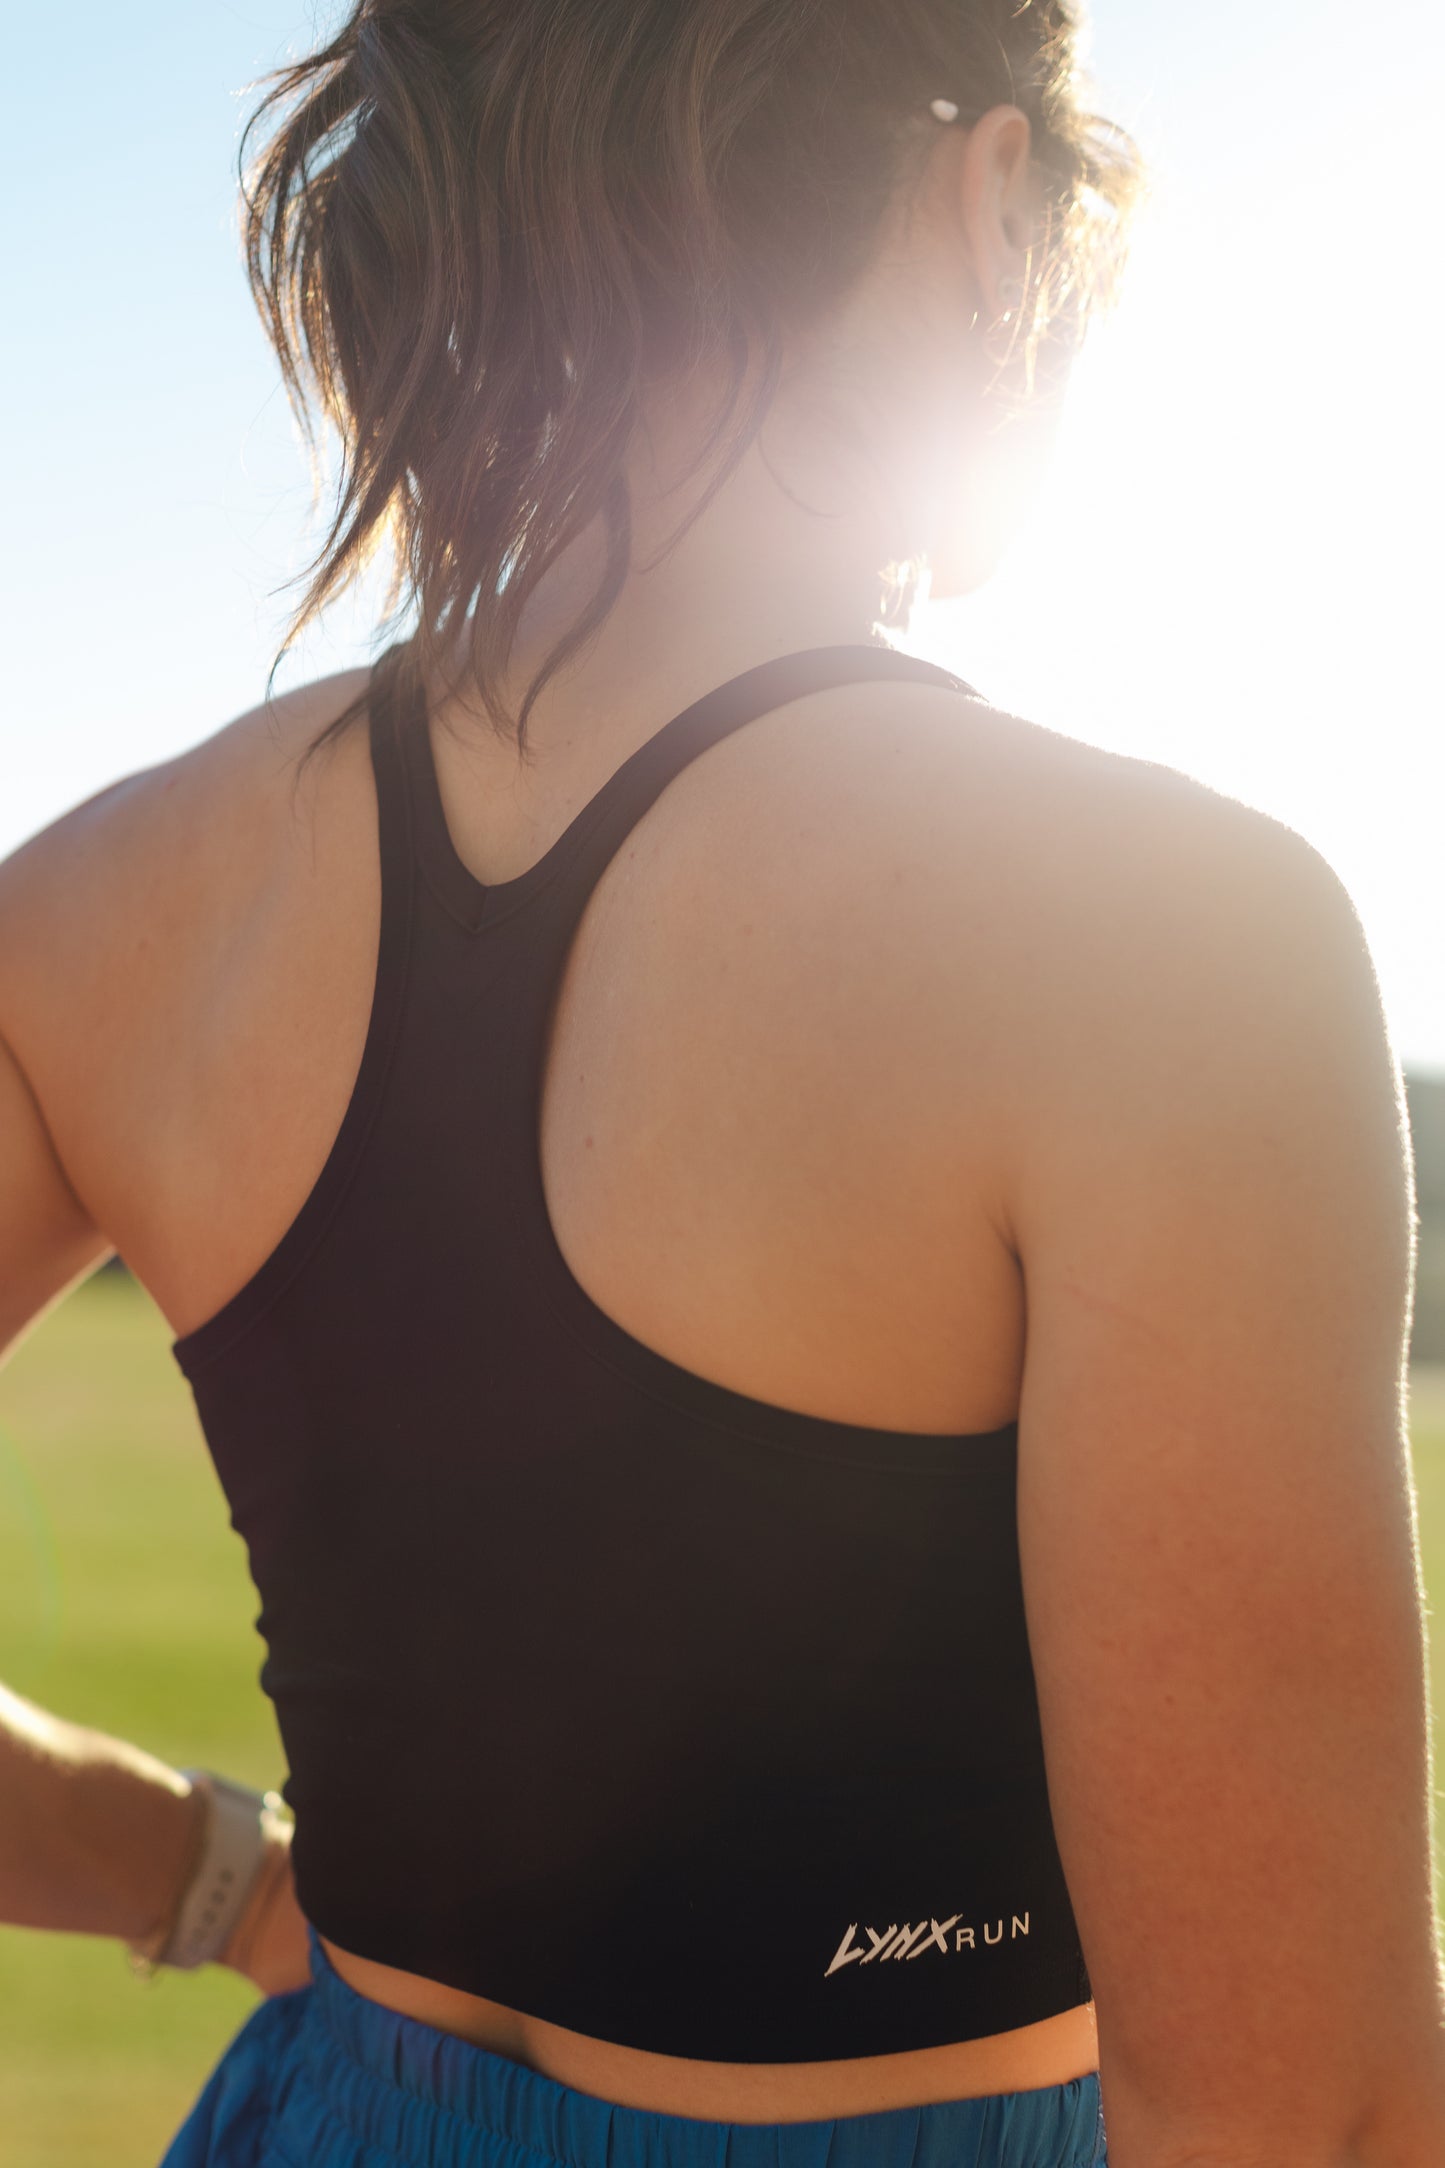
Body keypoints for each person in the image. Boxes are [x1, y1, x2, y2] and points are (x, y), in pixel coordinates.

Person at [1, 1, 1442, 2163]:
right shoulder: (1160, 938)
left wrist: (198, 1875)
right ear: (983, 196)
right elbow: (1301, 2118)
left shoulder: (108, 907)